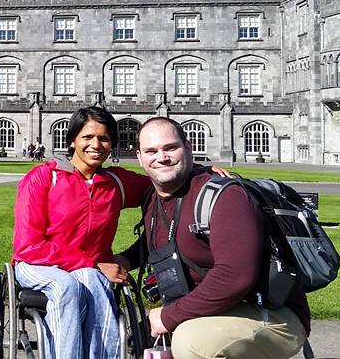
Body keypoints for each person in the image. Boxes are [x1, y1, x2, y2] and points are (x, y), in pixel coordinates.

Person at [14, 108, 229, 359]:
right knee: (67, 287)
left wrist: (199, 171)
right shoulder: (43, 177)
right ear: (72, 140)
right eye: (88, 137)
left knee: (93, 282)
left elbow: (163, 175)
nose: (96, 145)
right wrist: (93, 263)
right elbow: (28, 247)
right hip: (38, 264)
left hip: (89, 271)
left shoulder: (114, 183)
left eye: (104, 139)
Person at [115, 117, 309, 359]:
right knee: (139, 337)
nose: (161, 157)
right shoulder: (153, 198)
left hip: (271, 313)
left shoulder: (225, 197)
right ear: (140, 157)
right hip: (217, 310)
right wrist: (123, 259)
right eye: (151, 151)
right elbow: (159, 239)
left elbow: (235, 276)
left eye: (170, 148)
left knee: (191, 342)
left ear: (188, 147)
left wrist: (168, 315)